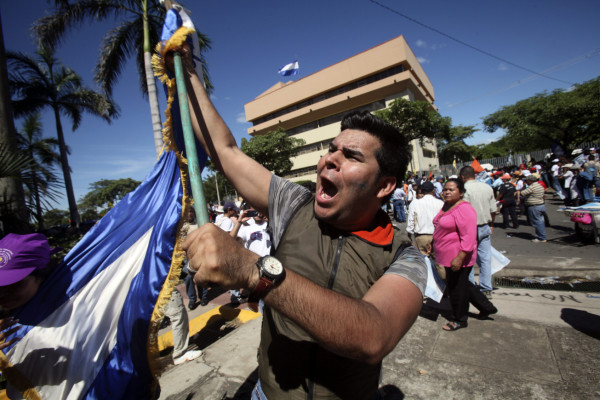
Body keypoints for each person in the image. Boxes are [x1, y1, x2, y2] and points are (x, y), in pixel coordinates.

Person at [174, 45, 426, 400]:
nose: (329, 160)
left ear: (384, 185)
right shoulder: (294, 204)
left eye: (351, 156)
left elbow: (373, 335)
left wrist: (253, 270)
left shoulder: (404, 256)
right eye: (331, 149)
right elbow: (225, 150)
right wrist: (189, 75)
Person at [432, 179, 497, 331]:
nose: (447, 192)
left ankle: (459, 319)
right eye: (445, 189)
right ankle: (486, 307)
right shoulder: (447, 206)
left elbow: (469, 236)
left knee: (456, 289)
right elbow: (440, 224)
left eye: (451, 189)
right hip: (446, 254)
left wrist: (460, 257)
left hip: (458, 256)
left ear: (461, 193)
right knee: (464, 285)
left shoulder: (464, 209)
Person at [460, 166, 496, 298]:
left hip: (470, 228)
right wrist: (491, 224)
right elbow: (493, 210)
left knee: (468, 259)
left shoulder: (464, 190)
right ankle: (486, 288)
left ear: (463, 177)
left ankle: (471, 288)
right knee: (485, 258)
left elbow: (464, 212)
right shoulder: (487, 187)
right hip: (485, 225)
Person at [406, 181, 443, 256]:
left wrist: (409, 237)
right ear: (433, 190)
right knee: (439, 264)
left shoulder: (415, 203)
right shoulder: (440, 203)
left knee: (424, 263)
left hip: (421, 237)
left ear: (422, 191)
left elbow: (411, 222)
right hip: (437, 236)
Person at [518, 174, 547, 243]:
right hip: (540, 205)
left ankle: (541, 237)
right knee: (540, 221)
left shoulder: (532, 187)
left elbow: (522, 193)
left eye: (527, 181)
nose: (526, 182)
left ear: (530, 181)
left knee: (537, 222)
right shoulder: (540, 186)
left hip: (534, 206)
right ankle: (542, 236)